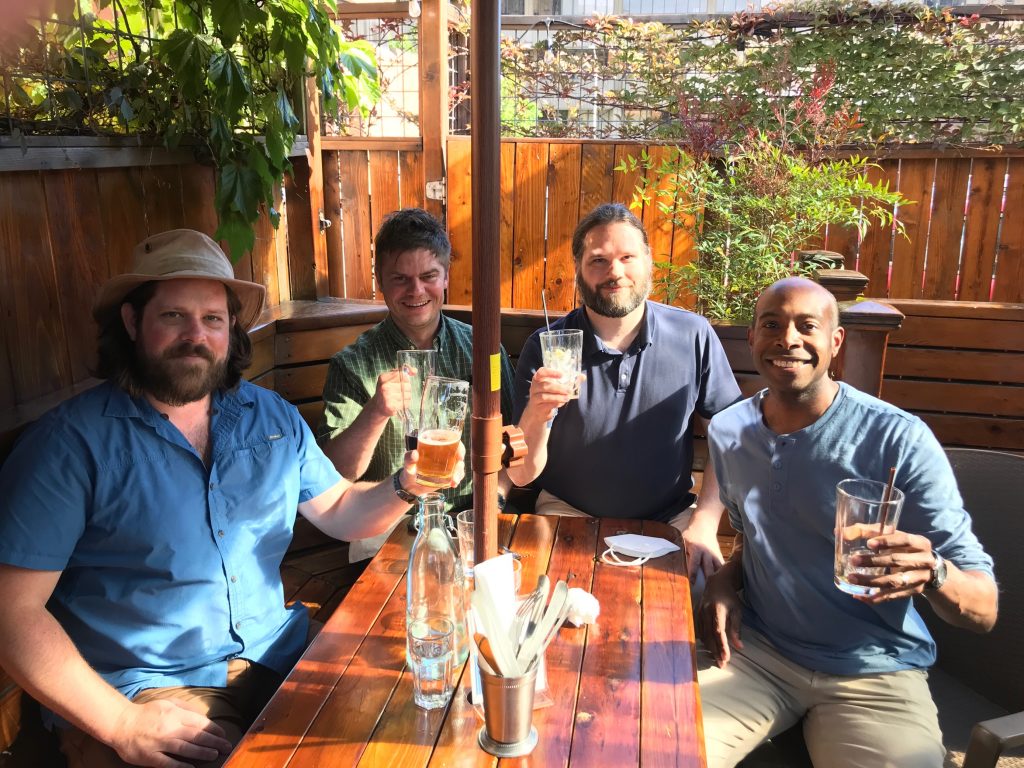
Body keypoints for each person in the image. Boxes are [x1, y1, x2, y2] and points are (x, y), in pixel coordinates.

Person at [0, 229, 462, 768]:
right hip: (154, 690)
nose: (196, 334)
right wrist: (120, 723)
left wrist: (408, 483)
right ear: (132, 322)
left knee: (416, 715)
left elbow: (339, 511)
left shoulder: (270, 417)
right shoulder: (69, 445)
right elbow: (12, 612)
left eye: (213, 319)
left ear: (230, 328)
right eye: (174, 316)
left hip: (277, 653)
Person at [698, 277, 998, 768]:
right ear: (751, 338)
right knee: (646, 746)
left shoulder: (898, 440)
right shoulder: (731, 430)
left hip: (873, 674)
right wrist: (724, 584)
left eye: (806, 326)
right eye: (771, 325)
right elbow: (760, 540)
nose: (787, 339)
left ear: (835, 342)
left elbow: (984, 611)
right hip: (757, 656)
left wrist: (934, 572)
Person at [509, 203, 742, 580]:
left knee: (697, 605)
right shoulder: (547, 347)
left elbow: (728, 435)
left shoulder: (693, 335)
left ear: (648, 261)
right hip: (568, 513)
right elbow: (522, 475)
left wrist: (705, 521)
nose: (614, 272)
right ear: (578, 271)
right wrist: (537, 411)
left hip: (672, 519)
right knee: (553, 609)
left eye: (627, 257)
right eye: (598, 260)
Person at [318, 208, 514, 560]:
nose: (416, 290)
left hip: (472, 522)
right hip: (386, 530)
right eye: (400, 279)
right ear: (380, 281)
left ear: (446, 278)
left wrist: (494, 501)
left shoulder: (487, 352)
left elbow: (510, 441)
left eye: (428, 276)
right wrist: (376, 412)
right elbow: (335, 474)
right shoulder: (351, 364)